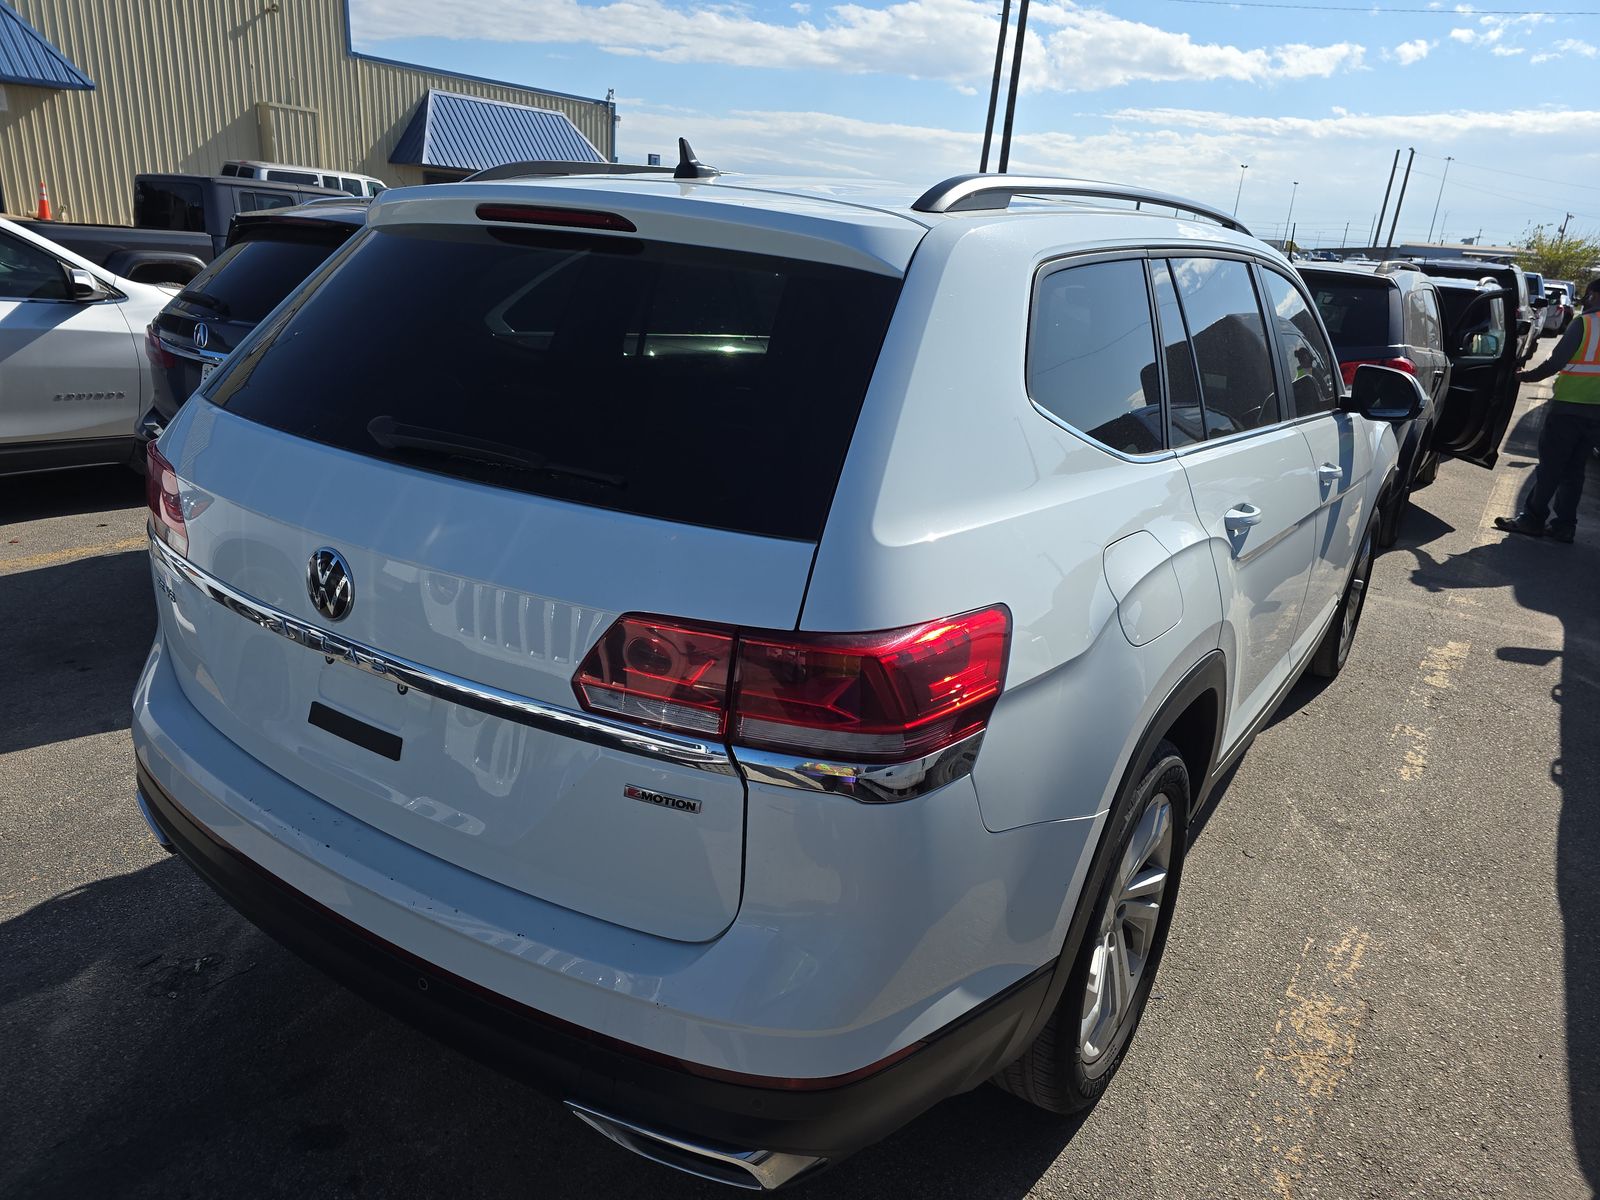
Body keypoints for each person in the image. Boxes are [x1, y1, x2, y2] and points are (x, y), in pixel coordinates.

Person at [1493, 276, 1600, 544]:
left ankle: (1532, 518)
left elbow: (1556, 362)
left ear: (1595, 296)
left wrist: (1525, 376)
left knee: (1551, 467)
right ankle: (1565, 526)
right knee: (1575, 470)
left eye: (1588, 294)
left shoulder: (1585, 324)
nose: (1585, 299)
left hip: (1569, 408)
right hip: (1596, 413)